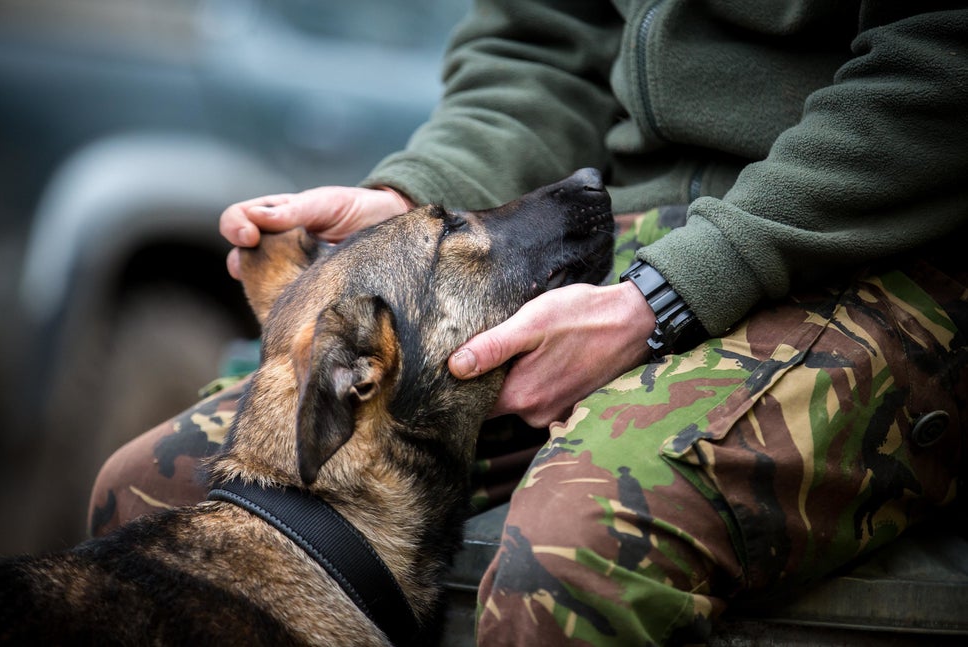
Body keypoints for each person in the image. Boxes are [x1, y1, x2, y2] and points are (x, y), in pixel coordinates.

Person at [89, 0, 968, 643]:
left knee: (567, 557)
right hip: (644, 233)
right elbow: (536, 48)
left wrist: (665, 297)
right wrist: (411, 199)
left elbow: (941, 67)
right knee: (145, 485)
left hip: (882, 245)